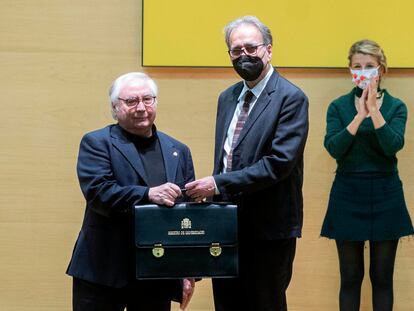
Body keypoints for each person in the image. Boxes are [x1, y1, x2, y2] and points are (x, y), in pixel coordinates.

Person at [185, 16, 309, 311]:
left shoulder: (291, 98)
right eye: (236, 50)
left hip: (267, 228)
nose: (244, 56)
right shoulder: (227, 97)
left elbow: (279, 164)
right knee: (227, 303)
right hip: (226, 224)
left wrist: (217, 184)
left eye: (251, 48)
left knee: (265, 303)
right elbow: (226, 158)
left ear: (268, 50)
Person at [66, 72, 196, 311]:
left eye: (148, 99)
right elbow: (99, 194)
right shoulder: (96, 142)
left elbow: (186, 216)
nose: (141, 107)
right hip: (102, 270)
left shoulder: (178, 150)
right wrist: (147, 194)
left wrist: (187, 272)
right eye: (131, 101)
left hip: (156, 272)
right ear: (115, 108)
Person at [321, 39, 414, 311]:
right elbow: (334, 148)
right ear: (350, 70)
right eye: (357, 66)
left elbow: (392, 145)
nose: (363, 71)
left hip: (386, 193)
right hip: (347, 193)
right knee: (350, 278)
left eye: (370, 66)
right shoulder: (338, 106)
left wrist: (374, 111)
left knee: (382, 278)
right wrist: (358, 116)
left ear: (381, 70)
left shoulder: (396, 106)